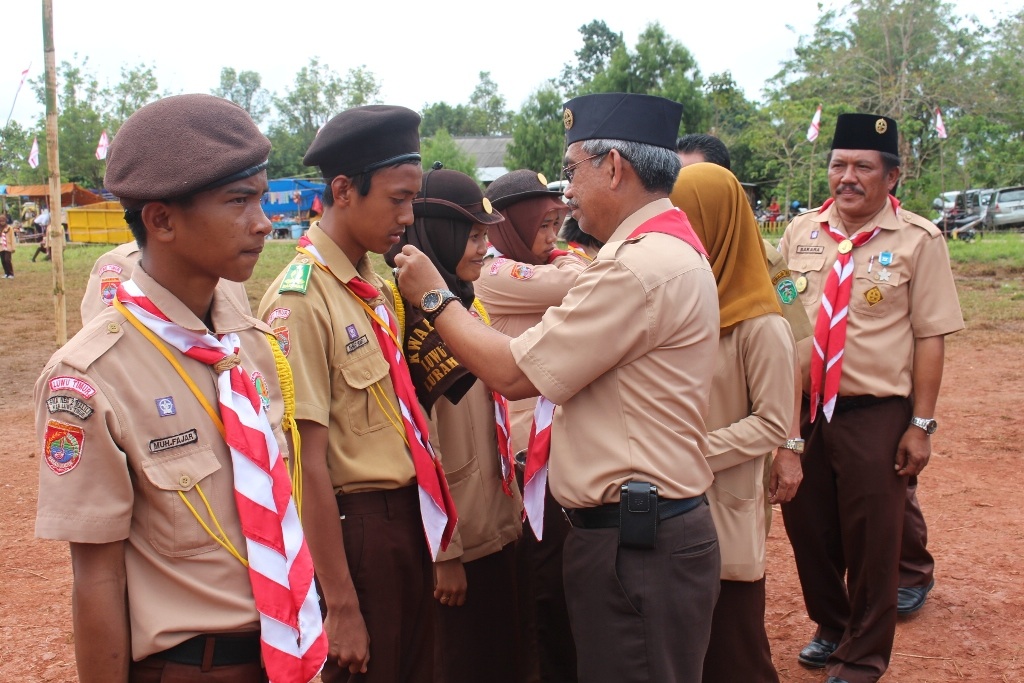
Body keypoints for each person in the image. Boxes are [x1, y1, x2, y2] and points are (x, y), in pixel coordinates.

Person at [395, 92, 722, 682]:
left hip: (636, 543)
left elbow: (514, 374)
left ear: (614, 167)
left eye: (572, 171)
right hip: (645, 532)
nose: (567, 191)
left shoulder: (635, 268)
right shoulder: (667, 251)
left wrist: (434, 298)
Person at [34, 93, 327, 683]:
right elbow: (96, 577)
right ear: (162, 221)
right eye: (238, 201)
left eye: (261, 198)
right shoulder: (93, 377)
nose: (263, 221)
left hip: (290, 654)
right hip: (195, 666)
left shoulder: (249, 345)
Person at [258, 105, 457, 683]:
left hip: (405, 522)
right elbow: (306, 463)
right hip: (358, 532)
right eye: (397, 199)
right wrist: (341, 604)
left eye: (412, 200)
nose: (408, 216)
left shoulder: (374, 286)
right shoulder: (300, 299)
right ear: (343, 191)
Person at [778, 113, 964, 683]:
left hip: (874, 411)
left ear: (892, 176)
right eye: (839, 165)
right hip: (804, 410)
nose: (848, 177)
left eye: (863, 167)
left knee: (874, 538)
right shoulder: (800, 233)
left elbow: (929, 335)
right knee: (808, 528)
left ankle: (862, 655)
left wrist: (921, 424)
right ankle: (832, 626)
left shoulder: (918, 240)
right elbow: (780, 307)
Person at [384, 167, 523, 683]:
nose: (485, 249)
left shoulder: (464, 305)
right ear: (438, 234)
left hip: (496, 523)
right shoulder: (410, 322)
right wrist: (446, 553)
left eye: (487, 236)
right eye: (473, 236)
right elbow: (423, 444)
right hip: (460, 539)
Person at [670, 162, 798, 683]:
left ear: (718, 226)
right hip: (675, 498)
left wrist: (689, 452)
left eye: (686, 220)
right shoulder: (681, 303)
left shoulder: (761, 323)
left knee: (734, 649)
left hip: (724, 496)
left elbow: (772, 421)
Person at [474, 168, 582, 683]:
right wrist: (567, 257)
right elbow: (581, 280)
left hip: (553, 449)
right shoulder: (495, 272)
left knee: (558, 578)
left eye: (557, 224)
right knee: (540, 581)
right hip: (522, 456)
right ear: (511, 224)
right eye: (542, 225)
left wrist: (560, 254)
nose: (552, 237)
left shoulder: (532, 265)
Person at [81, 240, 251, 324]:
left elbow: (242, 338)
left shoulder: (227, 263)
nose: (262, 225)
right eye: (237, 201)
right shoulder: (121, 264)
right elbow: (104, 342)